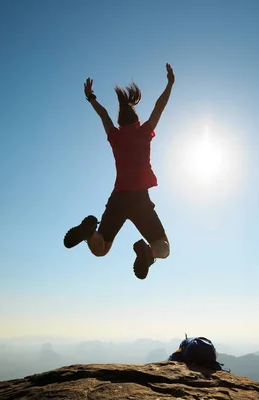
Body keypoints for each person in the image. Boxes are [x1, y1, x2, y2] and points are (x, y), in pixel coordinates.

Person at [63, 63, 175, 280]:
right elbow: (159, 106)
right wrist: (170, 84)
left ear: (120, 122)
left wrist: (91, 97)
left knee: (101, 248)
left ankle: (89, 233)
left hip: (118, 199)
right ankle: (149, 253)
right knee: (163, 246)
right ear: (137, 120)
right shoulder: (144, 133)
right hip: (140, 200)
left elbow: (103, 115)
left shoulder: (115, 137)